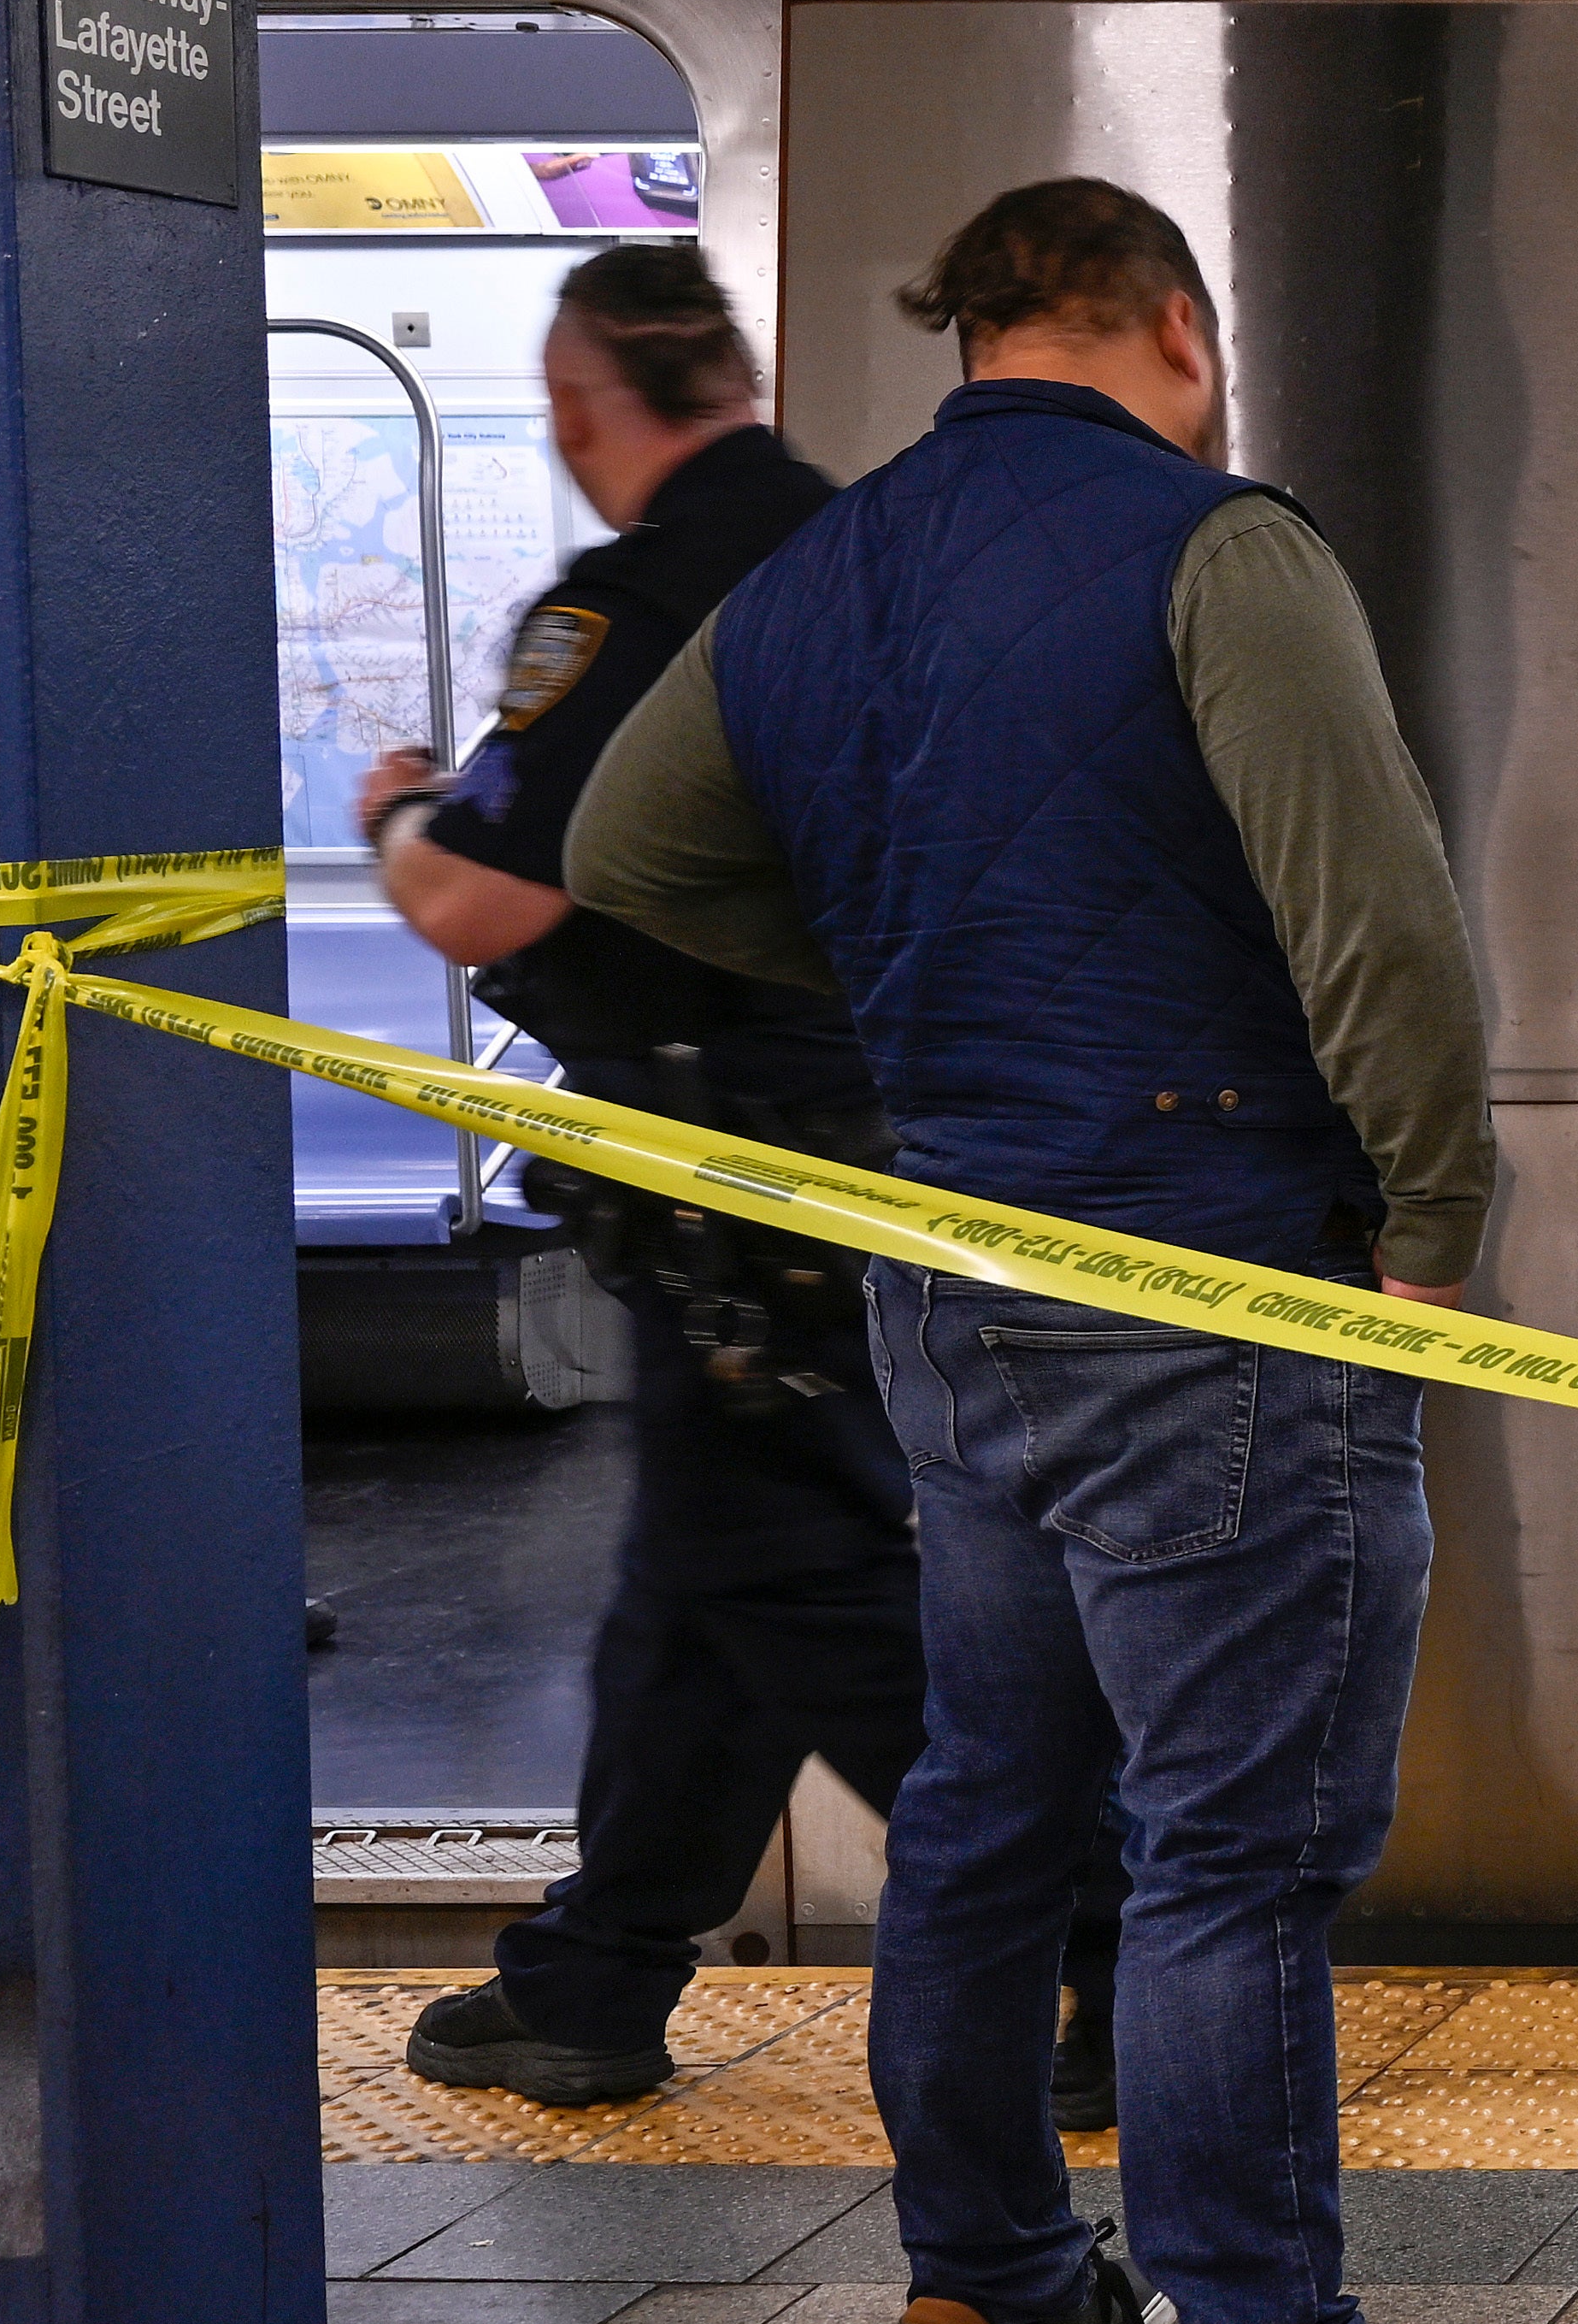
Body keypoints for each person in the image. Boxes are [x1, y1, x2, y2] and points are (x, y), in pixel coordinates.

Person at [570, 177, 1578, 2324]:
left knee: (987, 1794)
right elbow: (1380, 923)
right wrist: (1435, 1239)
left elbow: (633, 843)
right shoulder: (1217, 549)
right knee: (1232, 1843)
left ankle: (991, 2291)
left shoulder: (818, 570)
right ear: (1172, 320)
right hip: (1213, 1269)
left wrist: (915, 967)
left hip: (952, 1267)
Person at [357, 245, 1118, 2122]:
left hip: (727, 1173)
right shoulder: (883, 550)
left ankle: (1114, 1933)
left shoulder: (634, 603)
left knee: (798, 1573)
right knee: (712, 1567)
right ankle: (599, 1965)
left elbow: (481, 894)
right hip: (892, 1129)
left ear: (579, 409)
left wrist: (394, 809)